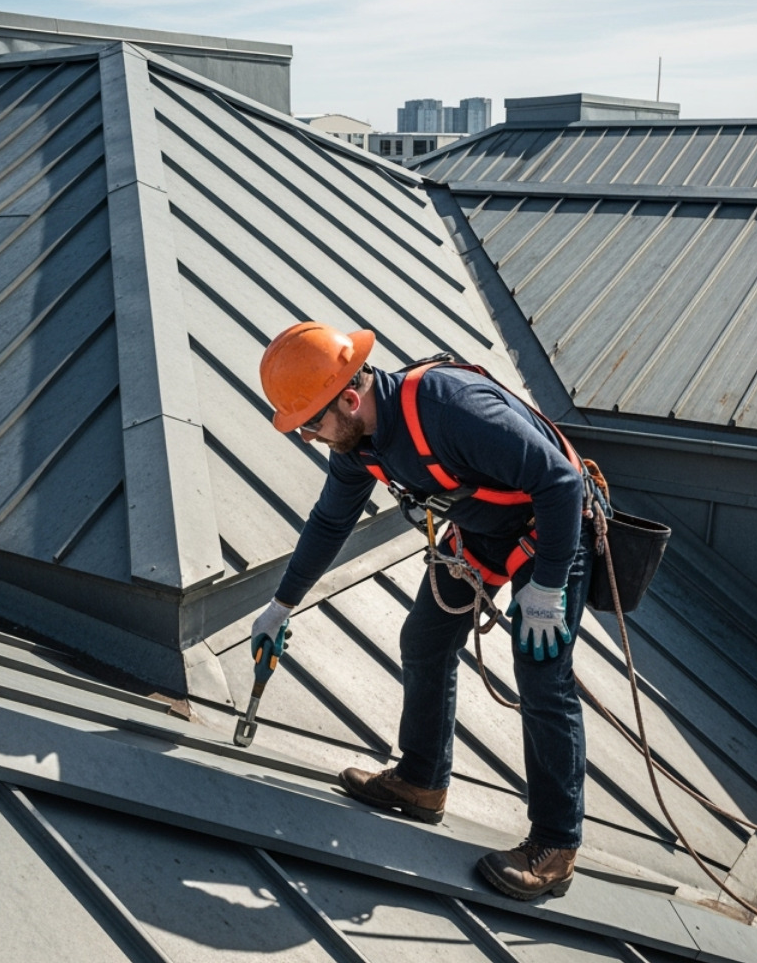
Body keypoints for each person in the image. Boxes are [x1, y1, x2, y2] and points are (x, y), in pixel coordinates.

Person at [250, 321, 593, 901]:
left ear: (350, 399)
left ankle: (556, 847)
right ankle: (421, 782)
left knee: (541, 673)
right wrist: (281, 605)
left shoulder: (450, 409)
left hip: (553, 531)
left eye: (311, 423)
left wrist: (548, 587)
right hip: (482, 535)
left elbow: (561, 483)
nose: (310, 436)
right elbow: (331, 521)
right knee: (425, 639)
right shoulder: (360, 444)